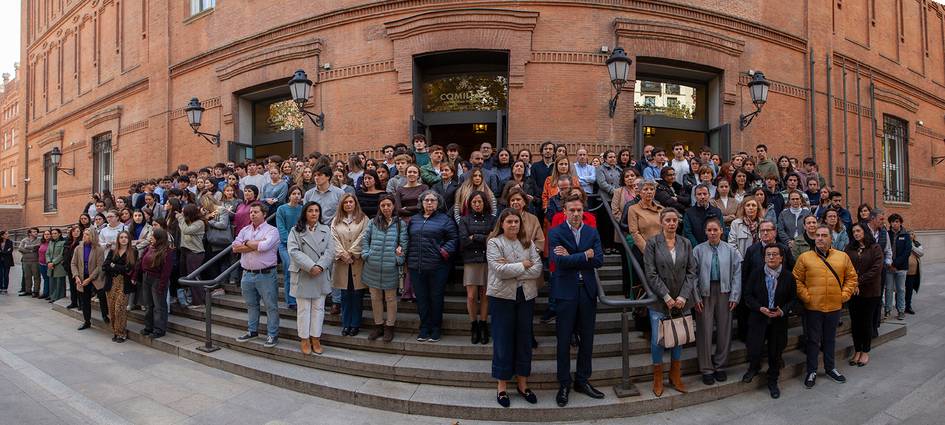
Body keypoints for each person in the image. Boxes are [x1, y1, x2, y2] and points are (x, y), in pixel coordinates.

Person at [548, 194, 606, 407]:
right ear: (564, 211)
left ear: (584, 212)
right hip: (565, 292)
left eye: (579, 210)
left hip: (588, 292)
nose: (575, 214)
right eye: (571, 210)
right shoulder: (555, 232)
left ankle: (583, 380)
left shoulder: (592, 232)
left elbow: (599, 259)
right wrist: (584, 256)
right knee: (563, 340)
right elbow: (558, 261)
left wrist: (573, 255)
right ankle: (564, 383)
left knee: (587, 339)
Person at [487, 208, 543, 408]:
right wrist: (523, 265)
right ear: (502, 224)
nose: (513, 225)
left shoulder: (528, 243)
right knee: (503, 339)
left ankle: (522, 384)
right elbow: (500, 271)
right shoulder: (494, 243)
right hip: (502, 297)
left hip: (525, 296)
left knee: (523, 339)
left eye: (516, 222)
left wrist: (514, 267)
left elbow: (537, 269)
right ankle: (501, 386)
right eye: (509, 221)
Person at [793, 225, 858, 388]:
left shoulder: (842, 257)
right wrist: (806, 297)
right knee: (813, 341)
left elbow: (852, 278)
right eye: (817, 235)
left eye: (823, 235)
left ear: (831, 238)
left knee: (830, 340)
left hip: (834, 307)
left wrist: (843, 296)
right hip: (813, 307)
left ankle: (830, 368)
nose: (820, 238)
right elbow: (796, 279)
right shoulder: (805, 257)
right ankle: (812, 370)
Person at [643, 208, 696, 397]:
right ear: (661, 222)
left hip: (682, 300)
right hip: (660, 301)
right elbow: (650, 273)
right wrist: (666, 296)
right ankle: (658, 378)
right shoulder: (652, 244)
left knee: (679, 337)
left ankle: (675, 376)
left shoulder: (686, 243)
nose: (672, 223)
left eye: (674, 220)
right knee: (659, 340)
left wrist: (682, 297)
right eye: (668, 220)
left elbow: (691, 272)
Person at [741, 244, 797, 398]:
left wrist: (782, 311)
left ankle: (772, 381)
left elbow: (793, 299)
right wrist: (759, 308)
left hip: (778, 321)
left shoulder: (788, 276)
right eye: (768, 255)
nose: (771, 257)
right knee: (754, 347)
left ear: (781, 258)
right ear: (764, 257)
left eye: (774, 254)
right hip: (758, 317)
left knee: (775, 351)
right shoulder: (756, 274)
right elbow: (748, 295)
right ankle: (753, 368)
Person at [692, 218, 741, 385]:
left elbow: (736, 273)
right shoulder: (698, 250)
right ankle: (706, 368)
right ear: (705, 232)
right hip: (704, 293)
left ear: (722, 230)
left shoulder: (730, 250)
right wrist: (696, 296)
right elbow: (692, 275)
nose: (712, 233)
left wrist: (735, 295)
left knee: (724, 330)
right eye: (709, 230)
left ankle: (720, 366)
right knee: (704, 330)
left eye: (715, 230)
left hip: (725, 291)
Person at [407, 190, 458, 343]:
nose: (429, 203)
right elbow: (407, 238)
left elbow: (454, 238)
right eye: (426, 200)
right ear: (421, 203)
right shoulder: (414, 219)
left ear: (438, 203)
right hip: (417, 266)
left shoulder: (445, 220)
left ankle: (436, 329)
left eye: (433, 200)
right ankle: (424, 328)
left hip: (438, 267)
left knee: (436, 298)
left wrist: (443, 251)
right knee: (422, 299)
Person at [288, 201, 335, 355]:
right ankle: (304, 338)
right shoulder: (295, 230)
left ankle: (316, 337)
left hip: (320, 274)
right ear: (305, 213)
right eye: (310, 211)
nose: (314, 213)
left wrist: (320, 266)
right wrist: (310, 266)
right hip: (303, 274)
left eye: (316, 211)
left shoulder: (326, 230)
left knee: (319, 308)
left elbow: (330, 251)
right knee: (303, 309)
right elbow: (293, 251)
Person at [233, 202, 282, 348]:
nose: (252, 214)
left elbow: (265, 246)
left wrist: (246, 243)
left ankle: (272, 334)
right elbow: (235, 247)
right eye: (251, 212)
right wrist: (255, 244)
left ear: (264, 214)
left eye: (256, 212)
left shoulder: (272, 231)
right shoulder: (245, 229)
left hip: (265, 274)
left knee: (270, 306)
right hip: (247, 274)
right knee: (251, 305)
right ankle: (252, 331)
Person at [361, 195, 407, 343]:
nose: (386, 208)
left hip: (390, 268)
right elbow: (365, 240)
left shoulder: (400, 224)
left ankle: (389, 326)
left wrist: (398, 259)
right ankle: (378, 325)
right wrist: (366, 254)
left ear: (393, 206)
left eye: (388, 205)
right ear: (379, 207)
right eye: (383, 205)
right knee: (375, 298)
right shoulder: (373, 222)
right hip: (372, 267)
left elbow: (404, 244)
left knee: (390, 298)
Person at [458, 191, 497, 344]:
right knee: (471, 296)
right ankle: (474, 324)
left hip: (487, 260)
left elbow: (493, 239)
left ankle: (483, 324)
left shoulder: (492, 219)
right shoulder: (464, 220)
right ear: (470, 204)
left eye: (479, 201)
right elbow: (463, 240)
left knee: (485, 295)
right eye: (474, 202)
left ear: (484, 203)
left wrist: (474, 236)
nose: (477, 204)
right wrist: (482, 237)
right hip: (470, 260)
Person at [845, 223, 883, 368]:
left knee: (866, 322)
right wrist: (852, 284)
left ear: (865, 232)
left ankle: (865, 351)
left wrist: (857, 282)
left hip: (870, 292)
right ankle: (857, 350)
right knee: (855, 323)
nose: (856, 233)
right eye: (853, 231)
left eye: (858, 230)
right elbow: (846, 266)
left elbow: (876, 270)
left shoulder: (875, 248)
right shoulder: (849, 248)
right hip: (853, 293)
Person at [332, 194, 368, 336]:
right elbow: (333, 238)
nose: (348, 204)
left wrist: (352, 252)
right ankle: (346, 324)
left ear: (355, 203)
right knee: (345, 295)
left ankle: (355, 324)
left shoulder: (363, 219)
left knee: (357, 295)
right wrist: (342, 254)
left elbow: (364, 235)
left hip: (357, 261)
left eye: (351, 202)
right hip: (342, 262)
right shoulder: (336, 220)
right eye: (345, 202)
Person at [133, 228, 174, 338]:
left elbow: (166, 271)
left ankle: (159, 329)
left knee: (159, 306)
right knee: (148, 305)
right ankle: (148, 327)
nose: (151, 238)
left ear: (159, 238)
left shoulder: (167, 251)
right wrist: (135, 275)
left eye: (153, 236)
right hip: (146, 277)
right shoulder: (149, 248)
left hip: (158, 280)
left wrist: (161, 286)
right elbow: (141, 261)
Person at [102, 231, 137, 343]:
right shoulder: (113, 251)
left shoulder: (133, 252)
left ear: (129, 239)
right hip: (111, 283)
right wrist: (117, 267)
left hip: (124, 284)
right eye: (121, 237)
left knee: (119, 309)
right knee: (112, 310)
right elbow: (105, 266)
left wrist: (113, 265)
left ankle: (121, 333)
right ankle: (115, 332)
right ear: (118, 239)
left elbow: (128, 268)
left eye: (126, 237)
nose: (123, 239)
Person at [71, 228, 108, 330]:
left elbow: (99, 266)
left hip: (95, 278)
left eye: (87, 234)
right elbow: (73, 263)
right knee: (85, 300)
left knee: (102, 296)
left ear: (92, 236)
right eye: (84, 234)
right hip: (82, 277)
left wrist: (90, 278)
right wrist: (76, 276)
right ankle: (87, 321)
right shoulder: (78, 248)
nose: (84, 236)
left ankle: (105, 315)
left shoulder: (99, 248)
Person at [276, 186, 304, 309]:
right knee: (289, 268)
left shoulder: (303, 209)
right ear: (289, 195)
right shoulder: (281, 209)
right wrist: (289, 241)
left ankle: (300, 297)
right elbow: (281, 228)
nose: (296, 196)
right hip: (285, 245)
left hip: (300, 245)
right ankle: (291, 300)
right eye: (294, 193)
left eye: (298, 193)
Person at [178, 204, 207, 306]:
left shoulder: (199, 223)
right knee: (187, 276)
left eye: (184, 212)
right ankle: (190, 299)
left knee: (194, 277)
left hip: (195, 252)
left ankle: (199, 301)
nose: (182, 214)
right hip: (185, 251)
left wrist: (180, 219)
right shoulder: (186, 222)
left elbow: (186, 231)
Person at [885, 214, 911, 320]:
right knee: (889, 289)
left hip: (901, 267)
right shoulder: (887, 234)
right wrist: (889, 264)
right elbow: (885, 249)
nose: (894, 224)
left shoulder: (906, 235)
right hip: (889, 267)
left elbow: (907, 252)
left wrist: (895, 264)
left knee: (901, 289)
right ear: (890, 223)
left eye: (896, 221)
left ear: (900, 222)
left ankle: (901, 310)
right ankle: (888, 310)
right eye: (892, 222)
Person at [627, 181, 663, 251]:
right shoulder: (633, 209)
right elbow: (634, 232)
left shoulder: (661, 209)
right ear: (639, 192)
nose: (649, 192)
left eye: (652, 189)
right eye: (645, 189)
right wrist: (647, 250)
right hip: (643, 249)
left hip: (661, 249)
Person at [17, 228, 40, 297]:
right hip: (25, 261)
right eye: (34, 232)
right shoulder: (24, 240)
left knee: (36, 277)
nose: (36, 233)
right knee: (27, 276)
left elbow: (38, 247)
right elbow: (20, 248)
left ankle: (36, 291)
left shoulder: (39, 240)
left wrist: (27, 247)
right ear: (30, 233)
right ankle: (28, 291)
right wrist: (31, 251)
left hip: (35, 261)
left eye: (36, 232)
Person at [63, 226, 82, 308]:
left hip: (78, 267)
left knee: (79, 285)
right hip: (69, 266)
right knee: (72, 286)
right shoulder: (68, 242)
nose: (75, 233)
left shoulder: (81, 242)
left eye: (78, 231)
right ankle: (73, 302)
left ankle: (81, 304)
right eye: (74, 231)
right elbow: (64, 253)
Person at [46, 229, 67, 302]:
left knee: (59, 282)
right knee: (52, 282)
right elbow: (47, 253)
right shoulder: (50, 242)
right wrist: (48, 262)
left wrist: (53, 262)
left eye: (55, 233)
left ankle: (58, 297)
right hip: (50, 265)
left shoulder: (63, 242)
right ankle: (53, 296)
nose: (53, 235)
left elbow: (62, 255)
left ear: (59, 234)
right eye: (52, 233)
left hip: (59, 265)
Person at [905, 230, 922, 315]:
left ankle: (908, 306)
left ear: (914, 235)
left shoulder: (917, 244)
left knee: (909, 290)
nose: (910, 235)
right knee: (900, 290)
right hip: (903, 270)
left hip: (912, 272)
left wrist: (911, 246)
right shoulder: (903, 242)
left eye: (912, 234)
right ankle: (900, 306)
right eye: (908, 234)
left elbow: (921, 253)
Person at [37, 230, 52, 299]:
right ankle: (45, 293)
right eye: (45, 234)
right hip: (41, 264)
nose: (46, 235)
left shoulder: (52, 243)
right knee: (45, 279)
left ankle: (50, 294)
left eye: (48, 234)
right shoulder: (42, 243)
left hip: (48, 264)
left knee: (50, 279)